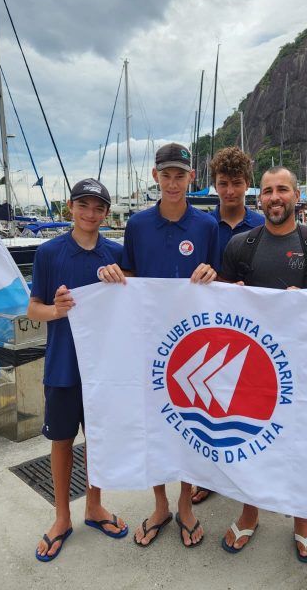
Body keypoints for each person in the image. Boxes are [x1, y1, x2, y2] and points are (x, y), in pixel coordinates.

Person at [219, 165, 307, 562]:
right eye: (268, 191)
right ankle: (249, 511)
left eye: (283, 190)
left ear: (296, 197)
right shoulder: (241, 245)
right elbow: (220, 307)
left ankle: (302, 519)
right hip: (252, 366)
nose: (275, 197)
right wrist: (231, 292)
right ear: (260, 199)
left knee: (302, 442)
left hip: (305, 365)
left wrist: (306, 300)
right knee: (249, 442)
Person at [98, 142, 217, 548]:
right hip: (149, 344)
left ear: (191, 178)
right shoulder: (138, 225)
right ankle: (160, 504)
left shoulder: (206, 227)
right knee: (153, 424)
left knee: (188, 423)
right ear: (155, 177)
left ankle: (185, 504)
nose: (172, 182)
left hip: (191, 343)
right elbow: (130, 276)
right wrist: (113, 273)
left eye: (179, 175)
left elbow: (219, 282)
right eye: (165, 174)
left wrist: (210, 273)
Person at [27, 178, 128, 562]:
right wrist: (56, 310)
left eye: (98, 208)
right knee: (62, 441)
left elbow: (133, 300)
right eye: (84, 205)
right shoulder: (49, 253)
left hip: (104, 367)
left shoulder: (116, 253)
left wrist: (123, 281)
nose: (90, 213)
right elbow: (32, 308)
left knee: (98, 440)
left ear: (105, 213)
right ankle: (62, 517)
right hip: (63, 365)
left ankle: (95, 507)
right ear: (71, 207)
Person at [191, 145, 265, 506]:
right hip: (213, 331)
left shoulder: (263, 225)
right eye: (223, 183)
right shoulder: (205, 226)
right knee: (208, 405)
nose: (230, 191)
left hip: (253, 334)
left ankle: (248, 478)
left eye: (237, 183)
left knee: (245, 405)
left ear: (248, 184)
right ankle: (210, 476)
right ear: (214, 185)